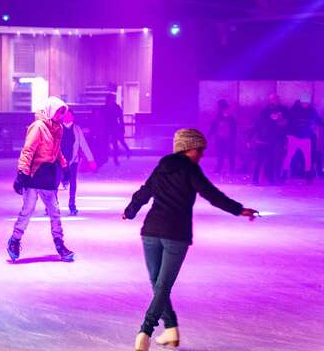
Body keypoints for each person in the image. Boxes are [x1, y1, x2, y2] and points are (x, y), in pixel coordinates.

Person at [123, 129, 257, 351]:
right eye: (199, 150)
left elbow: (144, 192)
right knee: (162, 286)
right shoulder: (190, 169)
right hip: (176, 234)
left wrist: (130, 211)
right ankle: (145, 332)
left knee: (158, 285)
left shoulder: (162, 167)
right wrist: (239, 210)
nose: (201, 155)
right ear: (188, 148)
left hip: (151, 230)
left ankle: (171, 329)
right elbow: (212, 195)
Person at [7, 96, 75, 262]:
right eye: (59, 112)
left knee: (55, 212)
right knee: (28, 210)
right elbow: (28, 150)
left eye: (62, 113)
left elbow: (57, 150)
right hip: (33, 175)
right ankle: (14, 240)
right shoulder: (38, 127)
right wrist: (21, 173)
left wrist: (64, 167)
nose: (61, 116)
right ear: (51, 110)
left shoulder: (57, 128)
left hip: (49, 176)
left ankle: (60, 243)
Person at [61, 108, 97, 215]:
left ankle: (72, 204)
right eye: (66, 115)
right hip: (59, 161)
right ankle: (51, 205)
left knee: (72, 182)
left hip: (73, 161)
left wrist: (91, 160)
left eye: (70, 115)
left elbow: (84, 145)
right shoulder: (57, 128)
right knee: (55, 182)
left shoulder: (77, 129)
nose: (67, 117)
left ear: (73, 117)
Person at [281, 95, 323, 183]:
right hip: (294, 137)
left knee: (307, 157)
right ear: (301, 102)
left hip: (305, 137)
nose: (305, 105)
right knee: (289, 156)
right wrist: (288, 134)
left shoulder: (311, 111)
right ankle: (284, 175)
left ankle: (308, 177)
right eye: (304, 103)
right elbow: (289, 121)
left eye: (306, 103)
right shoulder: (295, 110)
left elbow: (318, 120)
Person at [249, 94, 287, 184]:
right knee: (259, 160)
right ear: (270, 100)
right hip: (262, 140)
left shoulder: (281, 110)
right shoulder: (264, 112)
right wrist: (250, 139)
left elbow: (283, 125)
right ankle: (255, 179)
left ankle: (270, 178)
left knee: (271, 160)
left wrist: (280, 120)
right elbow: (257, 125)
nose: (275, 100)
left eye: (276, 98)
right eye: (273, 99)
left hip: (272, 139)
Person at [208, 99, 237, 175]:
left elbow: (234, 129)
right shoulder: (219, 117)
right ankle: (223, 169)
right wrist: (210, 136)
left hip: (227, 139)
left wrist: (210, 136)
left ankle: (229, 169)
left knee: (228, 154)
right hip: (221, 139)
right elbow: (213, 127)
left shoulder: (229, 118)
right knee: (222, 154)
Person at [106, 94, 131, 166]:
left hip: (113, 127)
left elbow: (121, 119)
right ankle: (116, 158)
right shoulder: (115, 107)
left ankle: (115, 158)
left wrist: (122, 128)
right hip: (112, 126)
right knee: (117, 142)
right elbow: (120, 119)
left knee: (116, 142)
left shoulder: (113, 107)